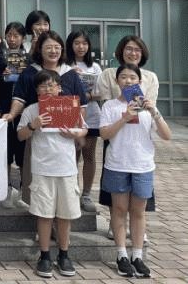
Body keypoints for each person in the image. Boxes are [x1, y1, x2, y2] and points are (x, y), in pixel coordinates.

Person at [99, 64, 171, 278]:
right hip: (117, 164)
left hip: (142, 166)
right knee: (119, 209)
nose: (128, 81)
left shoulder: (149, 108)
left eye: (132, 77)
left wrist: (154, 112)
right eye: (123, 77)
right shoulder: (110, 106)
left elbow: (167, 135)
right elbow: (104, 134)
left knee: (139, 212)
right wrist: (124, 118)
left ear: (140, 82)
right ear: (117, 82)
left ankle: (137, 256)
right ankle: (121, 255)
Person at [3, 30, 87, 205]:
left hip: (65, 138)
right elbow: (19, 99)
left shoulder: (70, 74)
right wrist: (12, 114)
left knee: (65, 182)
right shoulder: (30, 72)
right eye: (48, 47)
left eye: (57, 47)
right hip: (39, 136)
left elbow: (81, 106)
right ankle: (36, 210)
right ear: (39, 49)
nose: (53, 51)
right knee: (37, 179)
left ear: (62, 49)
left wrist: (79, 133)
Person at [17, 70, 88, 278]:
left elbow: (83, 132)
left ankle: (64, 254)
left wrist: (75, 134)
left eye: (52, 85)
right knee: (44, 215)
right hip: (42, 170)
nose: (48, 89)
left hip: (67, 169)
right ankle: (45, 255)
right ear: (37, 90)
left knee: (65, 215)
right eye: (43, 86)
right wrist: (33, 125)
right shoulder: (31, 110)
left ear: (59, 88)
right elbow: (20, 135)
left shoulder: (70, 106)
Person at [96, 35, 159, 239]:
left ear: (143, 53)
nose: (133, 53)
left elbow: (151, 103)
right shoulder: (109, 73)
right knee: (115, 181)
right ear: (120, 52)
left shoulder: (150, 77)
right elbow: (106, 98)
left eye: (137, 50)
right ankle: (115, 223)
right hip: (116, 128)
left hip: (140, 131)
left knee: (141, 184)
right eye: (129, 49)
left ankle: (138, 227)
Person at [66, 30, 102, 212]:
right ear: (70, 45)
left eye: (84, 43)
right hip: (69, 113)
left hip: (92, 114)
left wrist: (88, 95)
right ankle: (71, 191)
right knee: (71, 154)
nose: (81, 47)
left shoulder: (94, 67)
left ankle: (86, 194)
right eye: (77, 43)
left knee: (89, 154)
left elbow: (102, 92)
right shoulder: (64, 65)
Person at [0, 21, 28, 208]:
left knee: (23, 153)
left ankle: (24, 191)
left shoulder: (30, 58)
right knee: (6, 152)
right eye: (9, 35)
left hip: (24, 111)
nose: (12, 39)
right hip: (4, 110)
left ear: (23, 38)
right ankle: (7, 188)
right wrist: (1, 74)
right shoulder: (0, 56)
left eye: (16, 35)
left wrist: (26, 72)